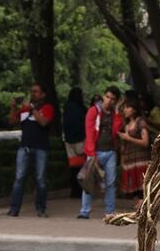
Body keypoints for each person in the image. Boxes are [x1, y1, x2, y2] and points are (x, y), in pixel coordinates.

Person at [8, 83, 56, 217]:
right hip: (24, 147)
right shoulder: (24, 109)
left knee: (40, 179)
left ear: (43, 94)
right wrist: (13, 108)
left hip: (41, 148)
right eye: (31, 91)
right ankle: (14, 208)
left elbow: (44, 122)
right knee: (19, 178)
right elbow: (12, 121)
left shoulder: (47, 108)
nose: (33, 94)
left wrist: (33, 110)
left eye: (36, 92)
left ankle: (41, 208)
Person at [79, 86, 123, 219]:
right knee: (88, 180)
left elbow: (116, 130)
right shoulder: (93, 111)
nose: (109, 100)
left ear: (116, 101)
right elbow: (89, 132)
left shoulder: (116, 114)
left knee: (110, 182)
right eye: (107, 97)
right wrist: (92, 154)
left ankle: (110, 211)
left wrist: (116, 112)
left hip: (110, 152)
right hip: (95, 151)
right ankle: (85, 211)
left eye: (112, 99)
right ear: (103, 96)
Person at [118, 99, 151, 206]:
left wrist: (128, 138)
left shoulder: (140, 122)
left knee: (142, 188)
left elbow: (145, 142)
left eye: (128, 107)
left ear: (134, 110)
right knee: (134, 190)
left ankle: (142, 211)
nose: (125, 110)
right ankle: (140, 211)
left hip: (141, 160)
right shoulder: (126, 125)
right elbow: (123, 146)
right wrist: (122, 161)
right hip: (130, 161)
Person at [62, 88, 88, 198]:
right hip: (80, 140)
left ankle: (74, 190)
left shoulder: (67, 107)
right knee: (81, 166)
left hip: (69, 141)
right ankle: (81, 190)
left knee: (73, 167)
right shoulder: (82, 109)